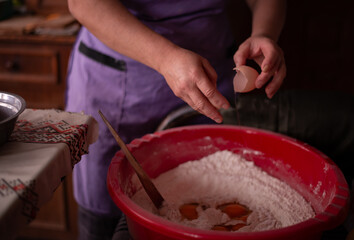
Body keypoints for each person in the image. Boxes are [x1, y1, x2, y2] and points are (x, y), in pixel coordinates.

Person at [65, 0, 287, 239]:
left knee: (213, 198)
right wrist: (165, 58)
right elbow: (84, 4)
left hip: (210, 78)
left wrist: (264, 32)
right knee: (105, 220)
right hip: (118, 78)